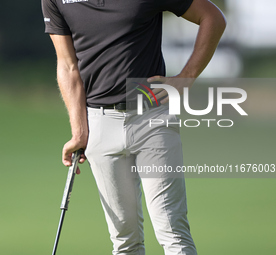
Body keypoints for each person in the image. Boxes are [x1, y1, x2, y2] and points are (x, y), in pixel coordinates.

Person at [42, 0, 226, 254]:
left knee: (172, 232)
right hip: (99, 124)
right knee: (125, 242)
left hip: (150, 115)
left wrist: (185, 80)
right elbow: (67, 65)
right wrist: (79, 129)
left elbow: (213, 18)